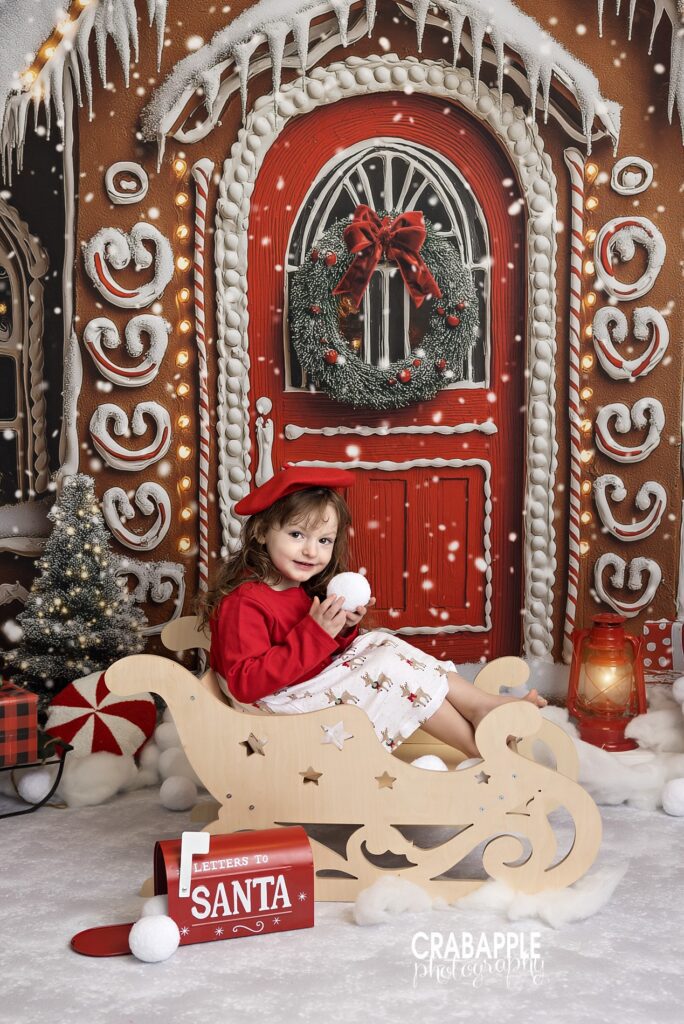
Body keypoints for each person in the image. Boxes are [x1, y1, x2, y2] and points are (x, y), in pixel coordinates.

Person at [199, 466, 546, 760]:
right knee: (387, 671)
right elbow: (247, 683)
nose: (310, 551)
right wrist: (317, 633)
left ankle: (479, 707)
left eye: (324, 541)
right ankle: (482, 751)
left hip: (298, 687)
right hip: (274, 712)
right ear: (260, 532)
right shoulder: (245, 602)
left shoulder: (294, 587)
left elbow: (313, 655)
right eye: (296, 534)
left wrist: (341, 628)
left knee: (380, 643)